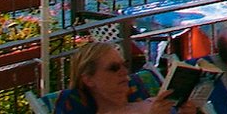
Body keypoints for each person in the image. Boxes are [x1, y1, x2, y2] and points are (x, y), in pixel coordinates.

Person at [52, 42, 193, 114]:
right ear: (89, 80)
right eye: (113, 68)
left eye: (124, 65)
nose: (124, 72)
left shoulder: (153, 102)